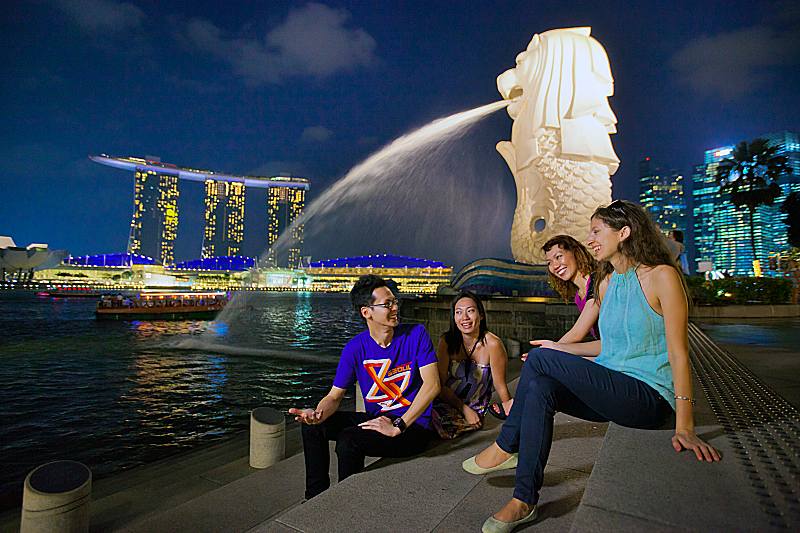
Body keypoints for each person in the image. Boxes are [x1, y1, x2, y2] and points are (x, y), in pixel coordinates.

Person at [464, 200, 720, 533]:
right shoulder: (607, 283)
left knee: (541, 361)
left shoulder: (662, 277)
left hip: (649, 398)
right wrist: (559, 348)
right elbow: (607, 345)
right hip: (612, 387)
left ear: (624, 232)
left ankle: (506, 444)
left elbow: (679, 353)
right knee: (542, 386)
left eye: (597, 231)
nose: (591, 239)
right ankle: (523, 500)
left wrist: (685, 424)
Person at [288, 274, 440, 499]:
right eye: (387, 304)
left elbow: (433, 385)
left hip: (413, 427)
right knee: (313, 427)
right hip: (378, 420)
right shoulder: (355, 348)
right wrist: (318, 414)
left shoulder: (416, 334)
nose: (395, 307)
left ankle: (346, 501)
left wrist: (399, 424)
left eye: (395, 301)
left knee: (349, 441)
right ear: (366, 312)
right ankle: (316, 498)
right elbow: (334, 396)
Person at [488, 235, 600, 419]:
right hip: (605, 350)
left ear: (576, 252)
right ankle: (523, 409)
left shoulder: (596, 281)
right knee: (545, 366)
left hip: (616, 354)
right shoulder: (578, 295)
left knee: (546, 362)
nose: (555, 265)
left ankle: (517, 406)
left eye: (559, 256)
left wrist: (549, 349)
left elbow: (579, 332)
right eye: (549, 262)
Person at [431, 291, 512, 439]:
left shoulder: (493, 344)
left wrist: (509, 407)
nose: (465, 318)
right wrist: (463, 408)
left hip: (475, 408)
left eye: (470, 311)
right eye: (459, 312)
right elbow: (439, 385)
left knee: (438, 425)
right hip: (446, 401)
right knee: (418, 417)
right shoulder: (447, 341)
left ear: (480, 315)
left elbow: (500, 386)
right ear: (454, 318)